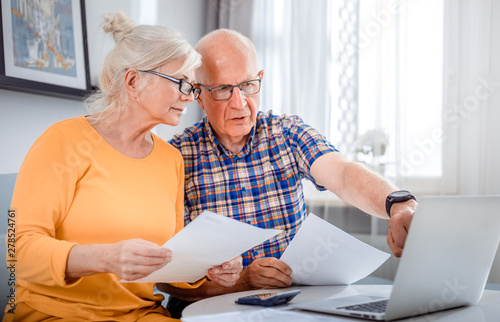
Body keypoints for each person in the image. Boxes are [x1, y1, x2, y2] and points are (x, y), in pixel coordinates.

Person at [158, 28, 418, 318]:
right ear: (199, 95)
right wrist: (240, 283)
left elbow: (342, 173)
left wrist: (397, 202)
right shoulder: (176, 156)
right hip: (213, 312)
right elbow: (164, 276)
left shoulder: (286, 132)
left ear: (260, 78)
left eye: (247, 85)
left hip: (293, 305)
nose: (240, 103)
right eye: (222, 89)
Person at [3, 13, 242, 322]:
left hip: (141, 315)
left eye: (193, 87)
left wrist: (208, 268)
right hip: (55, 314)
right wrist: (105, 258)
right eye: (181, 83)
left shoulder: (170, 160)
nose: (190, 98)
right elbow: (18, 252)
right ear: (133, 81)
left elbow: (168, 263)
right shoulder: (61, 141)